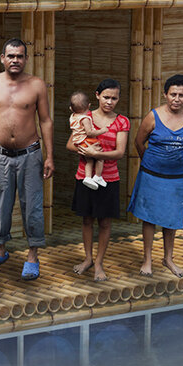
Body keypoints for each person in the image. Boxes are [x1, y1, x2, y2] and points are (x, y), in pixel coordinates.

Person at [0, 36, 53, 280]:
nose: (15, 60)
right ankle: (0, 250)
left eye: (20, 56)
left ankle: (32, 255)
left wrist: (49, 156)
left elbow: (45, 121)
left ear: (26, 59)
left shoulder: (37, 85)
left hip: (30, 154)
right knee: (3, 205)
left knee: (32, 207)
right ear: (2, 58)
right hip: (1, 156)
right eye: (11, 56)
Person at [126, 73, 183, 278]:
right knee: (149, 218)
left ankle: (168, 258)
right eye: (173, 94)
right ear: (165, 94)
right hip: (151, 175)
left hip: (177, 178)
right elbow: (139, 143)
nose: (176, 99)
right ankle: (147, 259)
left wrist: (179, 163)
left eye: (181, 95)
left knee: (171, 218)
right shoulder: (153, 116)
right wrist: (151, 162)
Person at [67, 79, 130, 282]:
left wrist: (97, 155)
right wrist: (86, 151)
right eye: (106, 97)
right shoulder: (85, 117)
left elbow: (120, 152)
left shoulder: (122, 121)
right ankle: (88, 259)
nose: (110, 102)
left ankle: (99, 262)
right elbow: (70, 144)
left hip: (108, 179)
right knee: (86, 219)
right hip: (83, 177)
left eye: (114, 98)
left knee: (104, 222)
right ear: (97, 96)